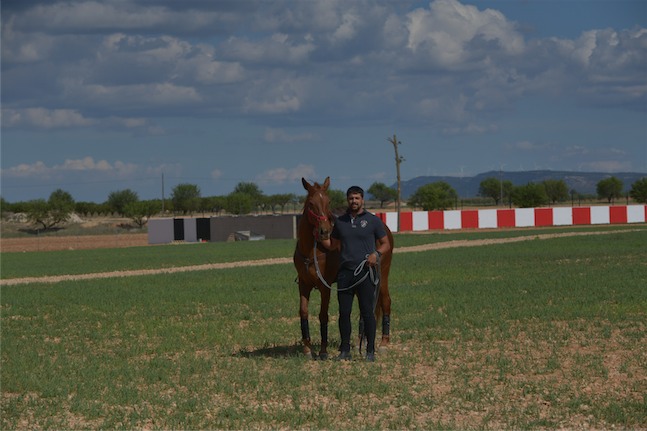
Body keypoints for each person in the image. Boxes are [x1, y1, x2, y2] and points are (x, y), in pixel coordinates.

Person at [320, 185, 390, 362]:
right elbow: (333, 245)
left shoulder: (373, 221)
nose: (354, 201)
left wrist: (376, 254)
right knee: (344, 313)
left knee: (367, 312)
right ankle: (344, 350)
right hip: (345, 274)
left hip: (366, 273)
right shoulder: (341, 222)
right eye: (351, 198)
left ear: (362, 200)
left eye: (357, 198)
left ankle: (370, 351)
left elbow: (385, 243)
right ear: (347, 200)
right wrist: (319, 238)